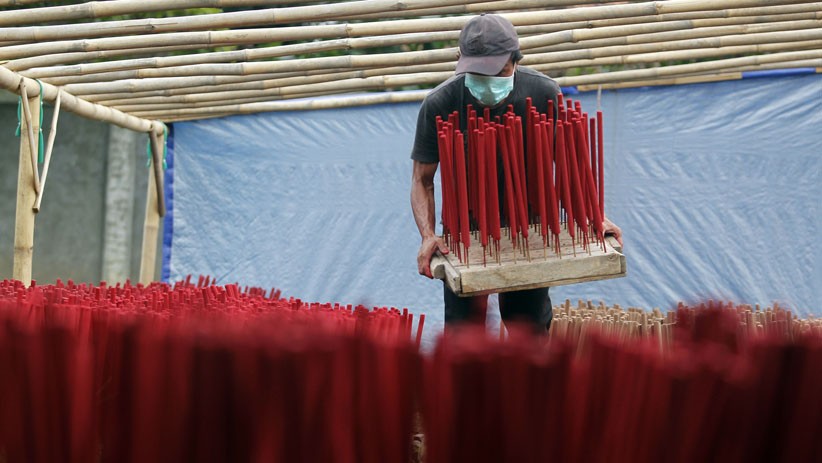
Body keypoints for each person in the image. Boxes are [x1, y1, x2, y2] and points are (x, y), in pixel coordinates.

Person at [410, 13, 622, 333]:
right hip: (465, 236)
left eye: (499, 71)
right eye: (478, 72)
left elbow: (565, 168)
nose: (488, 80)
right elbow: (422, 180)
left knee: (530, 333)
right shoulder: (440, 103)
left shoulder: (544, 93)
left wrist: (590, 214)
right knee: (464, 339)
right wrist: (428, 235)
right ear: (460, 61)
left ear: (516, 60)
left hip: (531, 232)